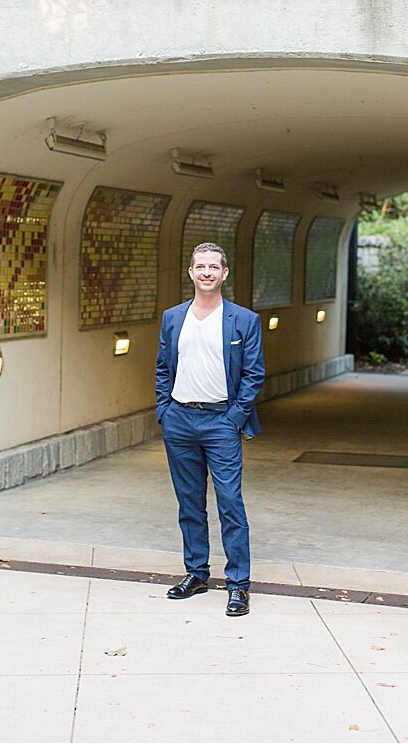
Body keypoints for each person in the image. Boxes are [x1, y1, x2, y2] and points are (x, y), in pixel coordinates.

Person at [155, 242, 264, 617]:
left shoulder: (243, 320)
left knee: (230, 503)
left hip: (221, 422)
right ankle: (196, 574)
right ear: (190, 272)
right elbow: (162, 368)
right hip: (180, 420)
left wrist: (234, 418)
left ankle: (238, 585)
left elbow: (254, 375)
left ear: (224, 273)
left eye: (213, 267)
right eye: (200, 266)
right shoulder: (173, 318)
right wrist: (164, 410)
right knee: (189, 503)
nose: (206, 273)